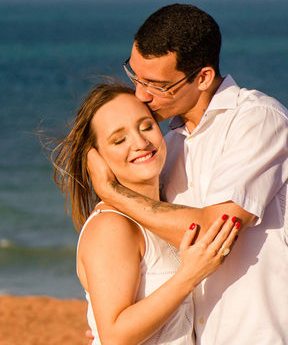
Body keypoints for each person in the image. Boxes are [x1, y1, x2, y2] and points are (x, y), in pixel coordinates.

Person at [87, 4, 288, 344]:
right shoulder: (166, 147)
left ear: (204, 77)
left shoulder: (257, 121)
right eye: (135, 76)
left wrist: (114, 194)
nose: (140, 94)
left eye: (156, 84)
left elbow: (214, 230)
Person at [51, 81, 239, 345]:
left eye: (146, 126)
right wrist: (189, 276)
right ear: (97, 158)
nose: (140, 142)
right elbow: (115, 336)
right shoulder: (112, 226)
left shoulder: (168, 213)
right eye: (119, 140)